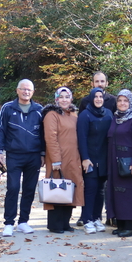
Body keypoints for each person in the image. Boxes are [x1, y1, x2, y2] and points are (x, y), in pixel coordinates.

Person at [0, 79, 45, 237]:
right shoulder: (8, 108)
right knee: (13, 188)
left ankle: (23, 221)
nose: (26, 92)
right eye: (23, 89)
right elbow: (1, 130)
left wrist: (43, 153)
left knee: (29, 189)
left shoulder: (39, 110)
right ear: (17, 90)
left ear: (33, 92)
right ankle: (9, 223)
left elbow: (45, 134)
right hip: (14, 155)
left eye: (29, 90)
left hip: (34, 156)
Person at [42, 87, 84, 233]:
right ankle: (55, 224)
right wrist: (55, 160)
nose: (64, 100)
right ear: (56, 99)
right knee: (57, 190)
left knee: (70, 190)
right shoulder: (51, 115)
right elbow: (50, 138)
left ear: (71, 99)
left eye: (67, 97)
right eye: (61, 97)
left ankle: (65, 223)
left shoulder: (73, 115)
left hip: (73, 159)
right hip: (59, 159)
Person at [77, 71, 116, 227]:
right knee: (90, 188)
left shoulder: (108, 113)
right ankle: (86, 219)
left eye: (101, 96)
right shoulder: (85, 114)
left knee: (100, 189)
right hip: (90, 157)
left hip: (104, 156)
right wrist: (85, 158)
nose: (98, 99)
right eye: (96, 96)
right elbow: (81, 137)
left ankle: (97, 218)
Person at [106, 90, 132, 237]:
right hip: (115, 161)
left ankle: (130, 227)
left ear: (131, 102)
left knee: (129, 193)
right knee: (118, 193)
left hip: (129, 161)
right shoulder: (115, 118)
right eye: (120, 101)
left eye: (125, 101)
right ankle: (121, 224)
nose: (122, 103)